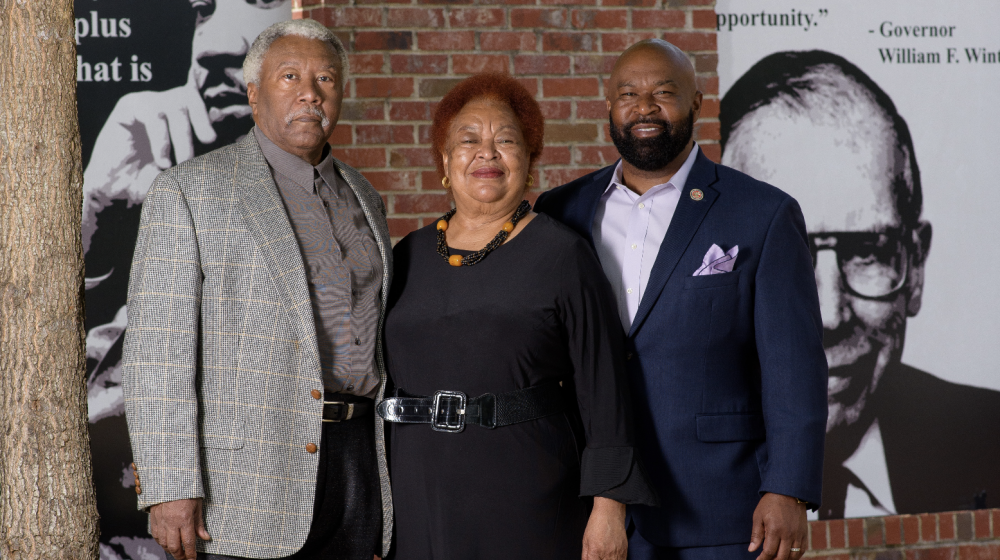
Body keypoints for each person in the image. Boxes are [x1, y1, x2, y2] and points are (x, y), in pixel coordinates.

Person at [534, 40, 828, 560]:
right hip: (590, 505)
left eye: (663, 93)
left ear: (696, 102)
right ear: (608, 106)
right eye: (628, 93)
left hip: (720, 505)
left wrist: (787, 486)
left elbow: (794, 366)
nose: (643, 107)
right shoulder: (562, 211)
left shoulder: (762, 213)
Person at [122, 19, 392, 560]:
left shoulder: (363, 194)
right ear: (253, 93)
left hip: (360, 462)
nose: (310, 93)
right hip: (246, 481)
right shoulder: (189, 191)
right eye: (289, 76)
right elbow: (156, 353)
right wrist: (171, 485)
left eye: (325, 80)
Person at [379, 72, 657, 560]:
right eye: (468, 141)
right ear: (445, 162)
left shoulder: (563, 254)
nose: (486, 153)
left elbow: (605, 389)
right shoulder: (407, 255)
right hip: (417, 491)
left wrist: (609, 507)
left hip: (529, 489)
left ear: (528, 161)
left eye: (505, 141)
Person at [720, 50, 1000, 518]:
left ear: (916, 265)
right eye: (782, 254)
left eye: (868, 249)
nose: (829, 314)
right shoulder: (660, 467)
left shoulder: (989, 442)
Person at [84, 3, 291, 556]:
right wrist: (97, 205)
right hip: (124, 481)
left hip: (260, 480)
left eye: (238, 70)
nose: (215, 80)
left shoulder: (304, 181)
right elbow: (43, 313)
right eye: (210, 65)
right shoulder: (145, 138)